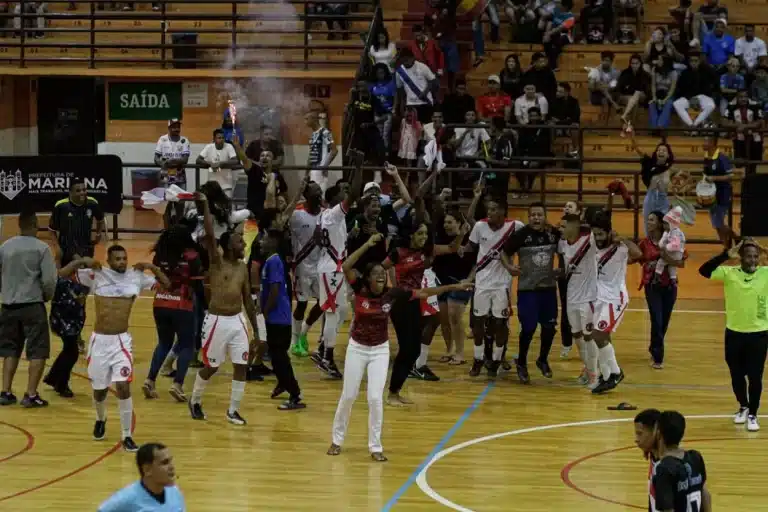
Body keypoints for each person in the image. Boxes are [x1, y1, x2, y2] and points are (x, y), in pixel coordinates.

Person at [328, 233, 471, 461]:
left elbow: (424, 292)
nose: (381, 278)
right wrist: (367, 244)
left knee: (375, 398)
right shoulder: (358, 290)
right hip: (357, 348)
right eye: (375, 275)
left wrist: (454, 286)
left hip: (379, 350)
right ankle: (337, 440)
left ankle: (375, 446)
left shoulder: (393, 295)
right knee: (349, 395)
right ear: (367, 279)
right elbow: (346, 266)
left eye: (383, 275)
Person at [62, 247, 169, 451]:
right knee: (100, 391)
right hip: (99, 342)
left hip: (121, 342)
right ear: (109, 261)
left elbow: (167, 284)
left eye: (124, 258)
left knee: (123, 387)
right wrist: (82, 261)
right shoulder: (97, 274)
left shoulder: (136, 277)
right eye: (117, 259)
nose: (122, 262)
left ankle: (127, 435)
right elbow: (62, 274)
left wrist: (150, 266)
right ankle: (100, 419)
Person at [188, 192, 262, 425]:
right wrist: (205, 206)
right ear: (228, 246)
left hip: (237, 320)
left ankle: (233, 410)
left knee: (241, 365)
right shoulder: (217, 262)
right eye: (239, 240)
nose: (243, 243)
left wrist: (257, 331)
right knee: (211, 366)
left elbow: (248, 301)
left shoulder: (243, 267)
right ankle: (195, 400)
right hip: (217, 321)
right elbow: (210, 235)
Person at [699, 239, 768, 431]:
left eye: (756, 256)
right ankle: (743, 406)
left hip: (759, 334)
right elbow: (704, 271)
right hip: (734, 333)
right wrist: (725, 255)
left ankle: (753, 414)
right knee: (736, 375)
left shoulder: (765, 273)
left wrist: (765, 250)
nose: (753, 260)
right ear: (740, 258)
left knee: (755, 377)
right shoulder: (729, 273)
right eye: (749, 256)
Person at [0, 210, 57, 407]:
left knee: (10, 349)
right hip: (32, 304)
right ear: (35, 225)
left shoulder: (5, 246)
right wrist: (46, 297)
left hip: (8, 305)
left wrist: (6, 292)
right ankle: (31, 394)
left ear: (19, 225)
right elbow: (50, 280)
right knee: (38, 350)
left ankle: (5, 392)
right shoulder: (42, 248)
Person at [314, 154, 364, 378]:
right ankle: (327, 356)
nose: (346, 196)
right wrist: (358, 167)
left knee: (341, 310)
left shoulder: (326, 216)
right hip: (331, 268)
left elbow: (318, 239)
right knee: (334, 314)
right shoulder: (334, 213)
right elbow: (353, 194)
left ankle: (322, 349)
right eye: (342, 194)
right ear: (335, 199)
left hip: (331, 265)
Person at [141, 225, 205, 403]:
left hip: (160, 302)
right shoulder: (192, 256)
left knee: (164, 342)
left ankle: (150, 380)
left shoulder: (159, 255)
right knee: (187, 344)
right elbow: (197, 284)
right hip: (182, 304)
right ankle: (177, 384)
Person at [463, 196, 523, 378]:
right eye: (488, 209)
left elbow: (526, 244)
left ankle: (497, 359)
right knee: (478, 323)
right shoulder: (480, 226)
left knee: (500, 324)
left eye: (494, 209)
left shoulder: (516, 226)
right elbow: (469, 250)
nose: (490, 213)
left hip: (502, 284)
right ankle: (478, 358)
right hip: (481, 282)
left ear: (503, 211)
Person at [503, 203, 560, 383]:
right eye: (533, 215)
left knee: (550, 328)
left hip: (548, 289)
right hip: (527, 289)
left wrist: (563, 268)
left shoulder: (553, 234)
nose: (536, 218)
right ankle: (521, 362)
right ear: (529, 217)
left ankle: (542, 359)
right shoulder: (521, 235)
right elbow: (503, 252)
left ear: (545, 216)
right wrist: (510, 267)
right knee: (528, 328)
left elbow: (568, 249)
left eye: (539, 215)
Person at [589, 214, 641, 394]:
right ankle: (606, 375)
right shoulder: (593, 246)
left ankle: (616, 373)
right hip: (599, 297)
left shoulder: (620, 248)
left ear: (609, 233)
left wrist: (624, 239)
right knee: (602, 338)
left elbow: (638, 254)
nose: (598, 238)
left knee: (598, 334)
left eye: (601, 235)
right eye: (595, 235)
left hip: (615, 298)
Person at [434, 183, 483, 365]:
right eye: (445, 222)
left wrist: (469, 279)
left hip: (462, 281)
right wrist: (441, 197)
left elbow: (476, 264)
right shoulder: (440, 237)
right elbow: (437, 211)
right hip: (442, 281)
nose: (446, 225)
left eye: (450, 222)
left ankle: (460, 353)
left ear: (459, 224)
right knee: (444, 319)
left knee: (455, 316)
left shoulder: (469, 241)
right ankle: (449, 349)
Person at [261, 228, 305, 410]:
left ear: (273, 242)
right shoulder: (271, 261)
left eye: (264, 238)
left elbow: (275, 290)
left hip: (278, 318)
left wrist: (265, 311)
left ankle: (295, 394)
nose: (261, 242)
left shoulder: (275, 262)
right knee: (275, 355)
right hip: (275, 317)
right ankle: (282, 383)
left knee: (279, 357)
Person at [636, 211, 685, 369]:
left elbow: (680, 263)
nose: (648, 222)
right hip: (652, 286)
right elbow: (636, 259)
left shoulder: (673, 238)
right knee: (656, 320)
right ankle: (658, 357)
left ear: (659, 223)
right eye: (647, 220)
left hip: (670, 286)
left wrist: (664, 258)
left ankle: (654, 346)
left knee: (663, 322)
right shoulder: (644, 243)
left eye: (651, 220)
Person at [558, 213, 599, 388]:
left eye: (564, 226)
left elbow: (600, 227)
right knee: (576, 335)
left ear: (574, 226)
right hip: (571, 297)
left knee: (589, 336)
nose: (561, 229)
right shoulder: (562, 244)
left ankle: (595, 375)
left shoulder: (589, 241)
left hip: (589, 297)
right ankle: (588, 368)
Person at [289, 180, 324, 357]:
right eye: (315, 192)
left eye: (320, 191)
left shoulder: (326, 214)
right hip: (302, 264)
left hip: (321, 265)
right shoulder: (297, 215)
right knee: (302, 303)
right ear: (306, 196)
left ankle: (303, 332)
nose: (319, 194)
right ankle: (295, 342)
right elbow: (283, 217)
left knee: (323, 302)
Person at [650, 411, 712, 512]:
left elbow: (668, 510)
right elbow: (705, 493)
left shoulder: (664, 469)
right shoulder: (695, 457)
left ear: (658, 433)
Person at [97, 442, 185, 511]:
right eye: (165, 463)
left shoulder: (174, 492)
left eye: (170, 461)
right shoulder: (126, 499)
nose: (172, 467)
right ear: (147, 470)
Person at [49, 177, 106, 267]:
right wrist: (57, 247)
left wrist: (98, 234)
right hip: (66, 249)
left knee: (87, 274)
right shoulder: (61, 206)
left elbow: (100, 219)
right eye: (78, 190)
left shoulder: (92, 203)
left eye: (84, 190)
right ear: (70, 192)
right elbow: (52, 229)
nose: (82, 193)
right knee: (69, 274)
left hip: (86, 248)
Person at [628, 131, 674, 235]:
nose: (661, 151)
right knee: (649, 227)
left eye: (664, 150)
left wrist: (679, 189)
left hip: (663, 201)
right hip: (650, 199)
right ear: (656, 153)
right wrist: (632, 136)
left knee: (665, 229)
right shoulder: (649, 163)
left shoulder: (671, 169)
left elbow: (687, 177)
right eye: (659, 150)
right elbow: (637, 149)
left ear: (668, 155)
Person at [701, 131, 740, 247]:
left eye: (706, 141)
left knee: (718, 223)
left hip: (723, 194)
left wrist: (714, 178)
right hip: (711, 195)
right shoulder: (707, 157)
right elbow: (705, 176)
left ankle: (735, 241)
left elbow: (730, 176)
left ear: (713, 143)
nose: (703, 143)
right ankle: (729, 246)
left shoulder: (722, 158)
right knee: (717, 224)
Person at [195, 128, 240, 198]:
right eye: (219, 138)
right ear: (214, 139)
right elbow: (198, 160)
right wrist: (210, 163)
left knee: (227, 205)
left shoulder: (229, 146)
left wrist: (221, 163)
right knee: (212, 206)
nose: (221, 140)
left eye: (223, 138)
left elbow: (235, 161)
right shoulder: (209, 147)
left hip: (226, 184)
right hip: (212, 184)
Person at [305, 111, 339, 193]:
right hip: (313, 170)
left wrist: (325, 166)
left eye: (306, 119)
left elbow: (334, 150)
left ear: (313, 119)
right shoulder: (313, 134)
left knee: (320, 194)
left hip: (320, 169)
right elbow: (311, 155)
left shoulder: (325, 132)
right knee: (312, 194)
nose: (305, 122)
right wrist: (306, 173)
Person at [655, 207, 685, 281]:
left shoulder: (676, 232)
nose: (664, 226)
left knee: (661, 262)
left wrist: (666, 247)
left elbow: (675, 244)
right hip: (675, 254)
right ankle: (673, 280)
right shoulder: (670, 232)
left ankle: (656, 277)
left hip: (674, 253)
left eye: (666, 224)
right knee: (672, 267)